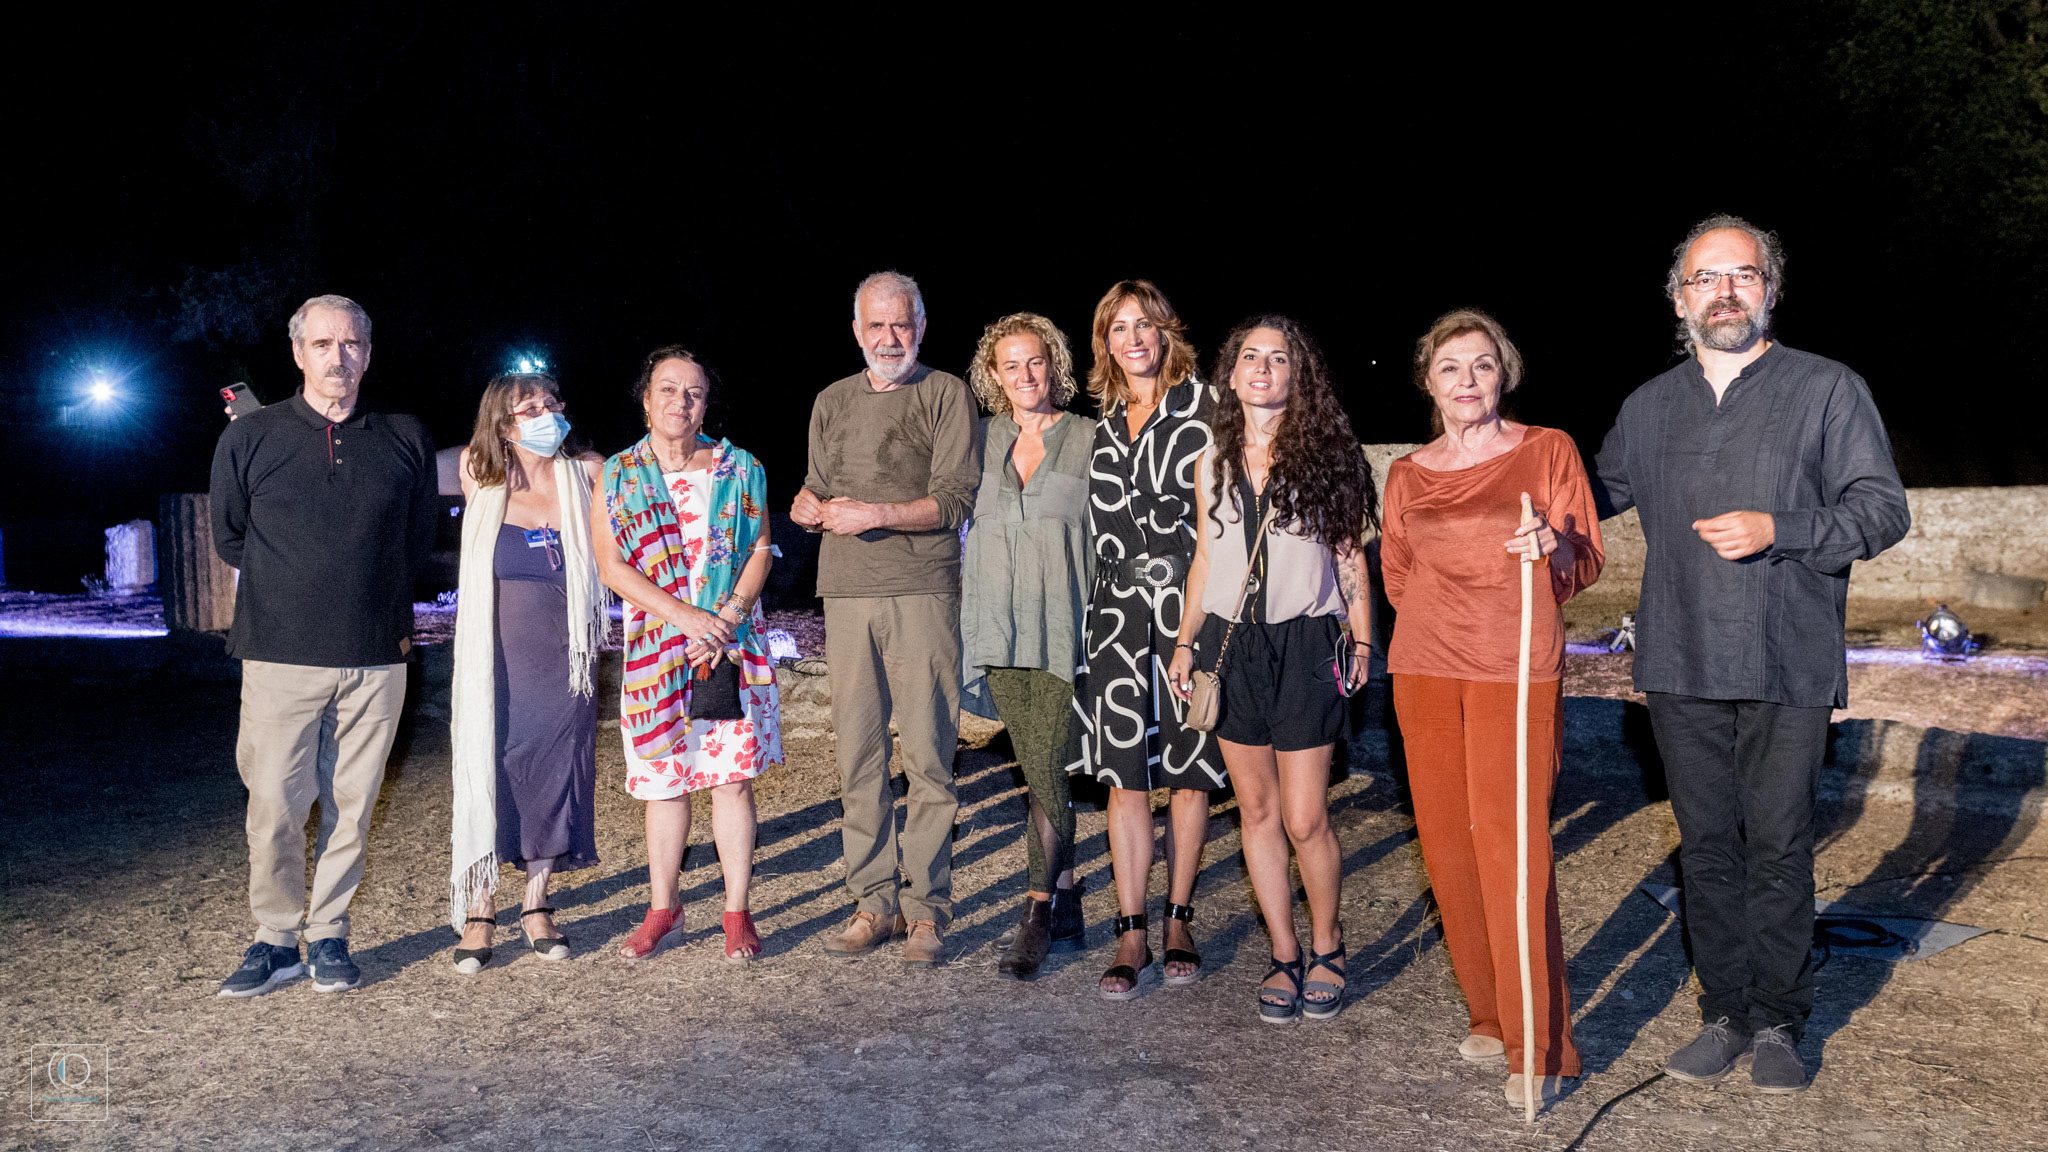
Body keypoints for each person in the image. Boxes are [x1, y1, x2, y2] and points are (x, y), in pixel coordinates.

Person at [1596, 215, 1909, 1093]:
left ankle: (1778, 1020)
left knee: (1778, 846)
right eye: (1706, 278)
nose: (1724, 292)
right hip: (1680, 654)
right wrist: (1525, 515)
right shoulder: (1648, 407)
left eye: (1743, 274)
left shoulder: (1826, 388)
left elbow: (1883, 509)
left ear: (1770, 290)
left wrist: (1784, 527)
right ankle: (1724, 1012)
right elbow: (1588, 498)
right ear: (1678, 299)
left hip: (1786, 655)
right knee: (1705, 847)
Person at [1382, 309, 1604, 1106]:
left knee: (1512, 849)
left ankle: (1541, 1046)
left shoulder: (1547, 451)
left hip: (1514, 670)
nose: (1466, 380)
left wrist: (1554, 546)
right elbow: (1397, 575)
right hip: (1424, 669)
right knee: (1448, 847)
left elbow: (1586, 558)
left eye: (1481, 365)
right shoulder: (1406, 474)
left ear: (1503, 374)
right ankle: (1490, 1014)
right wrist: (1443, 624)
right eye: (1450, 368)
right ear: (1429, 382)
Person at [209, 294, 438, 996]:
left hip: (376, 656)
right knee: (274, 807)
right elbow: (230, 537)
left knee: (353, 805)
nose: (339, 357)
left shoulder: (403, 436)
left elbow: (417, 540)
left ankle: (330, 932)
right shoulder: (251, 436)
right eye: (323, 344)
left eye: (351, 344)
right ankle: (276, 939)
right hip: (279, 653)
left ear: (368, 353)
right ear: (297, 353)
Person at [1166, 316, 1376, 1022]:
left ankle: (1328, 944)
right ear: (1230, 376)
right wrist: (1185, 643)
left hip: (1307, 643)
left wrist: (1363, 644)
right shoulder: (1211, 462)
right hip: (1231, 648)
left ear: (1297, 374)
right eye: (1250, 357)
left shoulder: (1328, 456)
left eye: (1278, 358)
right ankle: (1285, 953)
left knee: (1305, 817)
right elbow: (1205, 557)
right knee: (1255, 811)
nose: (1262, 368)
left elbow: (1348, 555)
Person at [791, 271, 983, 968]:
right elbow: (819, 485)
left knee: (928, 753)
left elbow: (956, 500)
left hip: (922, 590)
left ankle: (927, 908)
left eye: (901, 323)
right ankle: (873, 902)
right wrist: (805, 506)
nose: (889, 337)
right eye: (876, 324)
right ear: (856, 330)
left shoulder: (946, 394)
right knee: (859, 756)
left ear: (921, 327)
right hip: (846, 593)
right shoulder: (831, 400)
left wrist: (875, 514)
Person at [594, 347, 783, 964]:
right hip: (657, 650)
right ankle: (664, 908)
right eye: (668, 389)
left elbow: (760, 549)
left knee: (731, 782)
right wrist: (685, 618)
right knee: (664, 785)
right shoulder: (618, 474)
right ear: (646, 400)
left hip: (729, 648)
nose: (681, 401)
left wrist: (725, 619)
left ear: (706, 403)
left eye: (694, 392)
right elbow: (611, 566)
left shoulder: (741, 467)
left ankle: (736, 911)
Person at [1072, 279, 1224, 999]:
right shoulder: (1102, 425)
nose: (1132, 338)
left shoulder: (1208, 409)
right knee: (1124, 773)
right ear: (1105, 342)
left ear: (1166, 331)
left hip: (1187, 611)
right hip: (1115, 615)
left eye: (1144, 324)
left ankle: (1178, 920)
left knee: (1190, 768)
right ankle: (1130, 929)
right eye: (1118, 327)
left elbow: (1227, 519)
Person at [447, 372, 609, 974]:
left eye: (551, 404)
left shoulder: (589, 474)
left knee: (557, 766)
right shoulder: (479, 474)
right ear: (503, 424)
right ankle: (481, 906)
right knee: (496, 763)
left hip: (567, 658)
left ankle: (536, 902)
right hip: (498, 658)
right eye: (528, 409)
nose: (546, 415)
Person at [959, 312, 1091, 979]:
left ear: (1053, 364)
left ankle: (1038, 907)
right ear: (994, 374)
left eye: (1035, 360)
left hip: (1064, 625)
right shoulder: (978, 440)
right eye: (1010, 364)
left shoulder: (1090, 438)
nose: (1025, 374)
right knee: (1040, 763)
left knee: (1046, 762)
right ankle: (1065, 894)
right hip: (996, 626)